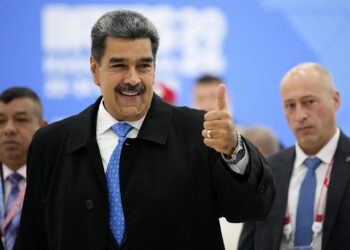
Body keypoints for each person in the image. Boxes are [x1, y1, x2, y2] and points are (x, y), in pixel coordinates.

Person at [16, 10, 275, 250]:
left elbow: (254, 208)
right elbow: (33, 237)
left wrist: (233, 150)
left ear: (155, 68)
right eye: (119, 65)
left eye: (143, 65)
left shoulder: (200, 132)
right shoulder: (50, 144)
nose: (133, 79)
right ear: (95, 70)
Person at [238, 62, 350, 250]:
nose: (300, 115)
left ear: (335, 100)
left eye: (309, 102)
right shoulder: (267, 171)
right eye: (290, 105)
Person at [0, 87, 47, 250]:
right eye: (1, 121)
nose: (9, 129)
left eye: (21, 120)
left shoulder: (58, 179)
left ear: (43, 128)